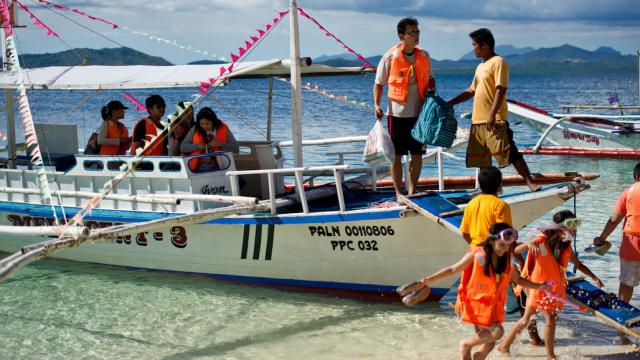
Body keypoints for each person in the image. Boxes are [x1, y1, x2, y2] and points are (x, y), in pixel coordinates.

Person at [397, 223, 549, 360]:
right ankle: (465, 345)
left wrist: (539, 286)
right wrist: (425, 281)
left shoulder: (507, 260)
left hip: (492, 306)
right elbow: (452, 269)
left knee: (489, 344)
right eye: (501, 245)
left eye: (508, 246)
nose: (505, 249)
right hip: (475, 303)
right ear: (491, 240)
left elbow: (518, 280)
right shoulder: (478, 255)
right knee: (497, 332)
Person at [498, 210, 603, 359]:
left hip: (551, 289)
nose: (575, 228)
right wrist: (530, 244)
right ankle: (550, 356)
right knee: (550, 319)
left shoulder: (565, 245)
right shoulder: (542, 240)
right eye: (572, 224)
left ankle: (504, 346)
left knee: (526, 319)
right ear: (560, 227)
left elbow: (578, 264)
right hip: (539, 287)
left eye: (576, 223)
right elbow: (516, 249)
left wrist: (593, 276)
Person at [447, 28, 539, 192]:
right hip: (478, 120)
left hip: (494, 118)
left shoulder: (499, 62)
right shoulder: (480, 66)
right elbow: (471, 90)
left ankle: (530, 182)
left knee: (510, 152)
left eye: (474, 44)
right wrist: (451, 103)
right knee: (482, 160)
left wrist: (491, 114)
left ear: (485, 46)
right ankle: (487, 192)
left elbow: (501, 89)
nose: (473, 48)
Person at [460, 165, 543, 344]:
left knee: (481, 299)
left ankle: (480, 340)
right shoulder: (500, 205)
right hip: (497, 257)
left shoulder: (471, 203)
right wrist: (518, 260)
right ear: (500, 185)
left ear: (480, 185)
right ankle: (534, 337)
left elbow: (465, 233)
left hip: (475, 256)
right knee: (522, 295)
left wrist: (477, 246)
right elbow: (506, 237)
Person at [373, 17, 436, 200]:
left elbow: (431, 78)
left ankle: (412, 190)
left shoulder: (424, 56)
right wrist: (377, 105)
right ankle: (399, 193)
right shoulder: (390, 57)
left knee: (417, 154)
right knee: (397, 155)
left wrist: (433, 94)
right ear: (402, 35)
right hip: (397, 114)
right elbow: (378, 84)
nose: (416, 35)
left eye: (418, 31)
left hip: (420, 114)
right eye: (412, 32)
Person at [593, 162, 640, 314]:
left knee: (627, 283)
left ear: (636, 177)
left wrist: (601, 238)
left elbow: (615, 219)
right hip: (632, 240)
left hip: (632, 242)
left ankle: (621, 312)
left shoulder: (629, 192)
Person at [181, 107, 239, 171]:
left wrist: (220, 144)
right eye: (202, 124)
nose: (204, 126)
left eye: (207, 123)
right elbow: (183, 147)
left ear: (213, 121)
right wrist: (197, 147)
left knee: (240, 180)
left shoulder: (223, 128)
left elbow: (236, 148)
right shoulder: (195, 129)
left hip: (222, 167)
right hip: (200, 167)